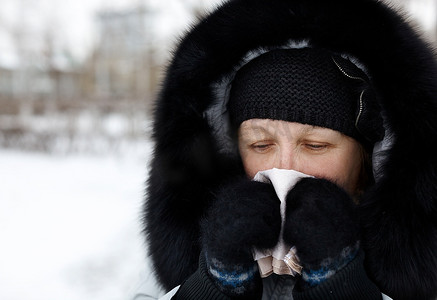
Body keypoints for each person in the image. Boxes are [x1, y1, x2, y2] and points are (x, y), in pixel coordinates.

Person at [141, 0, 437, 299]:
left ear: (367, 160)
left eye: (315, 145)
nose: (284, 167)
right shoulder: (164, 277)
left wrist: (345, 287)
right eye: (261, 145)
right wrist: (213, 285)